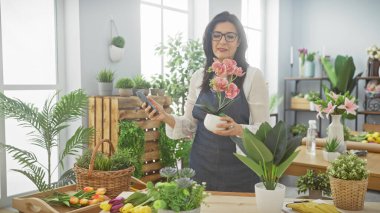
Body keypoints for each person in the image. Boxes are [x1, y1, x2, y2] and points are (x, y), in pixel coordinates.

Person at [142, 11, 269, 192]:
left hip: (240, 170)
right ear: (209, 40)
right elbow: (189, 125)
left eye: (230, 36)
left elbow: (264, 129)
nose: (222, 41)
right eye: (217, 35)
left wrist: (239, 129)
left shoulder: (253, 76)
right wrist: (165, 117)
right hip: (201, 167)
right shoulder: (198, 77)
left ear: (239, 41)